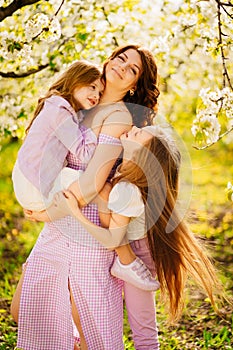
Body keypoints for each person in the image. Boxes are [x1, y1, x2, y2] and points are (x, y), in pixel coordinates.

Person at [11, 44, 161, 350]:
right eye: (120, 58)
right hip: (60, 223)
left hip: (86, 226)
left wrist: (47, 213)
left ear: (134, 87)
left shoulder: (119, 116)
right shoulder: (83, 103)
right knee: (24, 310)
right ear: (109, 59)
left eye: (132, 69)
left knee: (92, 329)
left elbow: (92, 182)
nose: (121, 66)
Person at [55, 124, 223, 345]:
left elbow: (111, 239)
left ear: (143, 155)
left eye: (139, 133)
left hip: (138, 259)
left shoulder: (127, 190)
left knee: (142, 327)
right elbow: (111, 226)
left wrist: (76, 212)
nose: (133, 127)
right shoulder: (123, 173)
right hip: (126, 248)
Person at [12, 60, 104, 213]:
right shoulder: (60, 113)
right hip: (33, 188)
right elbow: (85, 154)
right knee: (95, 183)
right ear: (75, 81)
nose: (96, 96)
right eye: (92, 87)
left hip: (25, 177)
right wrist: (98, 122)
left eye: (100, 93)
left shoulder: (56, 106)